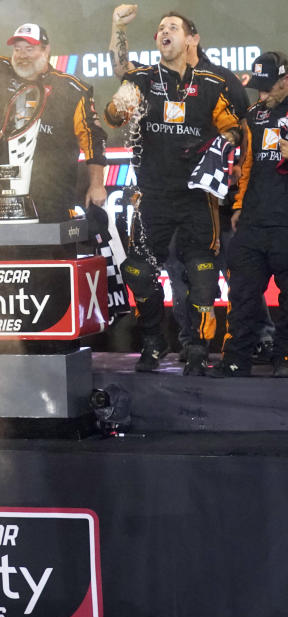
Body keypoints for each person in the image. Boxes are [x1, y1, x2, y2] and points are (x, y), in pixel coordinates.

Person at [107, 4, 266, 363]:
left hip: (198, 198)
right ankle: (152, 339)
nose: (165, 32)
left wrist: (225, 140)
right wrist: (120, 106)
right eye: (161, 28)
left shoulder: (211, 83)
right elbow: (114, 115)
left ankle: (197, 345)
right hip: (153, 196)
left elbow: (234, 128)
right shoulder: (143, 80)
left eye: (173, 27)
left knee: (202, 273)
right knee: (137, 269)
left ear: (191, 38)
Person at [0, 1, 108, 223]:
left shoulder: (71, 89)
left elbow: (93, 139)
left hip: (52, 196)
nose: (22, 55)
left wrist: (97, 184)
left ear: (46, 50)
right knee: (7, 256)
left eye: (29, 48)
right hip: (2, 198)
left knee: (52, 255)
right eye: (17, 49)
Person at [210, 52, 288, 378]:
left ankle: (283, 359)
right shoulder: (254, 115)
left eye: (269, 87)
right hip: (254, 222)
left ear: (286, 80)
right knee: (241, 295)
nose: (263, 94)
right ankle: (235, 360)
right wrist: (239, 205)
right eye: (259, 87)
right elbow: (248, 166)